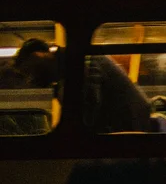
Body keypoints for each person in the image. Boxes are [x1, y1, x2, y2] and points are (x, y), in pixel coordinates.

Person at [14, 37, 153, 133]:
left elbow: (90, 107)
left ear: (37, 56)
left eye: (29, 71)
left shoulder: (80, 61)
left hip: (131, 126)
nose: (30, 79)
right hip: (124, 125)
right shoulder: (66, 73)